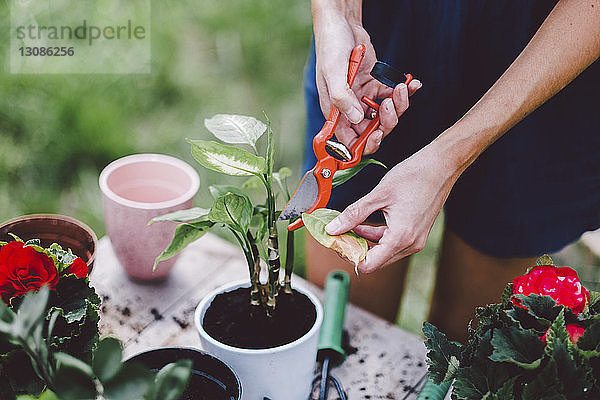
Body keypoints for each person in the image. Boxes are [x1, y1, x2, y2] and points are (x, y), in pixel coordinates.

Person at [304, 0, 600, 342]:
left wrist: (448, 159)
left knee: (463, 339)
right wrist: (337, 15)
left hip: (550, 49)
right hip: (387, 21)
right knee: (348, 325)